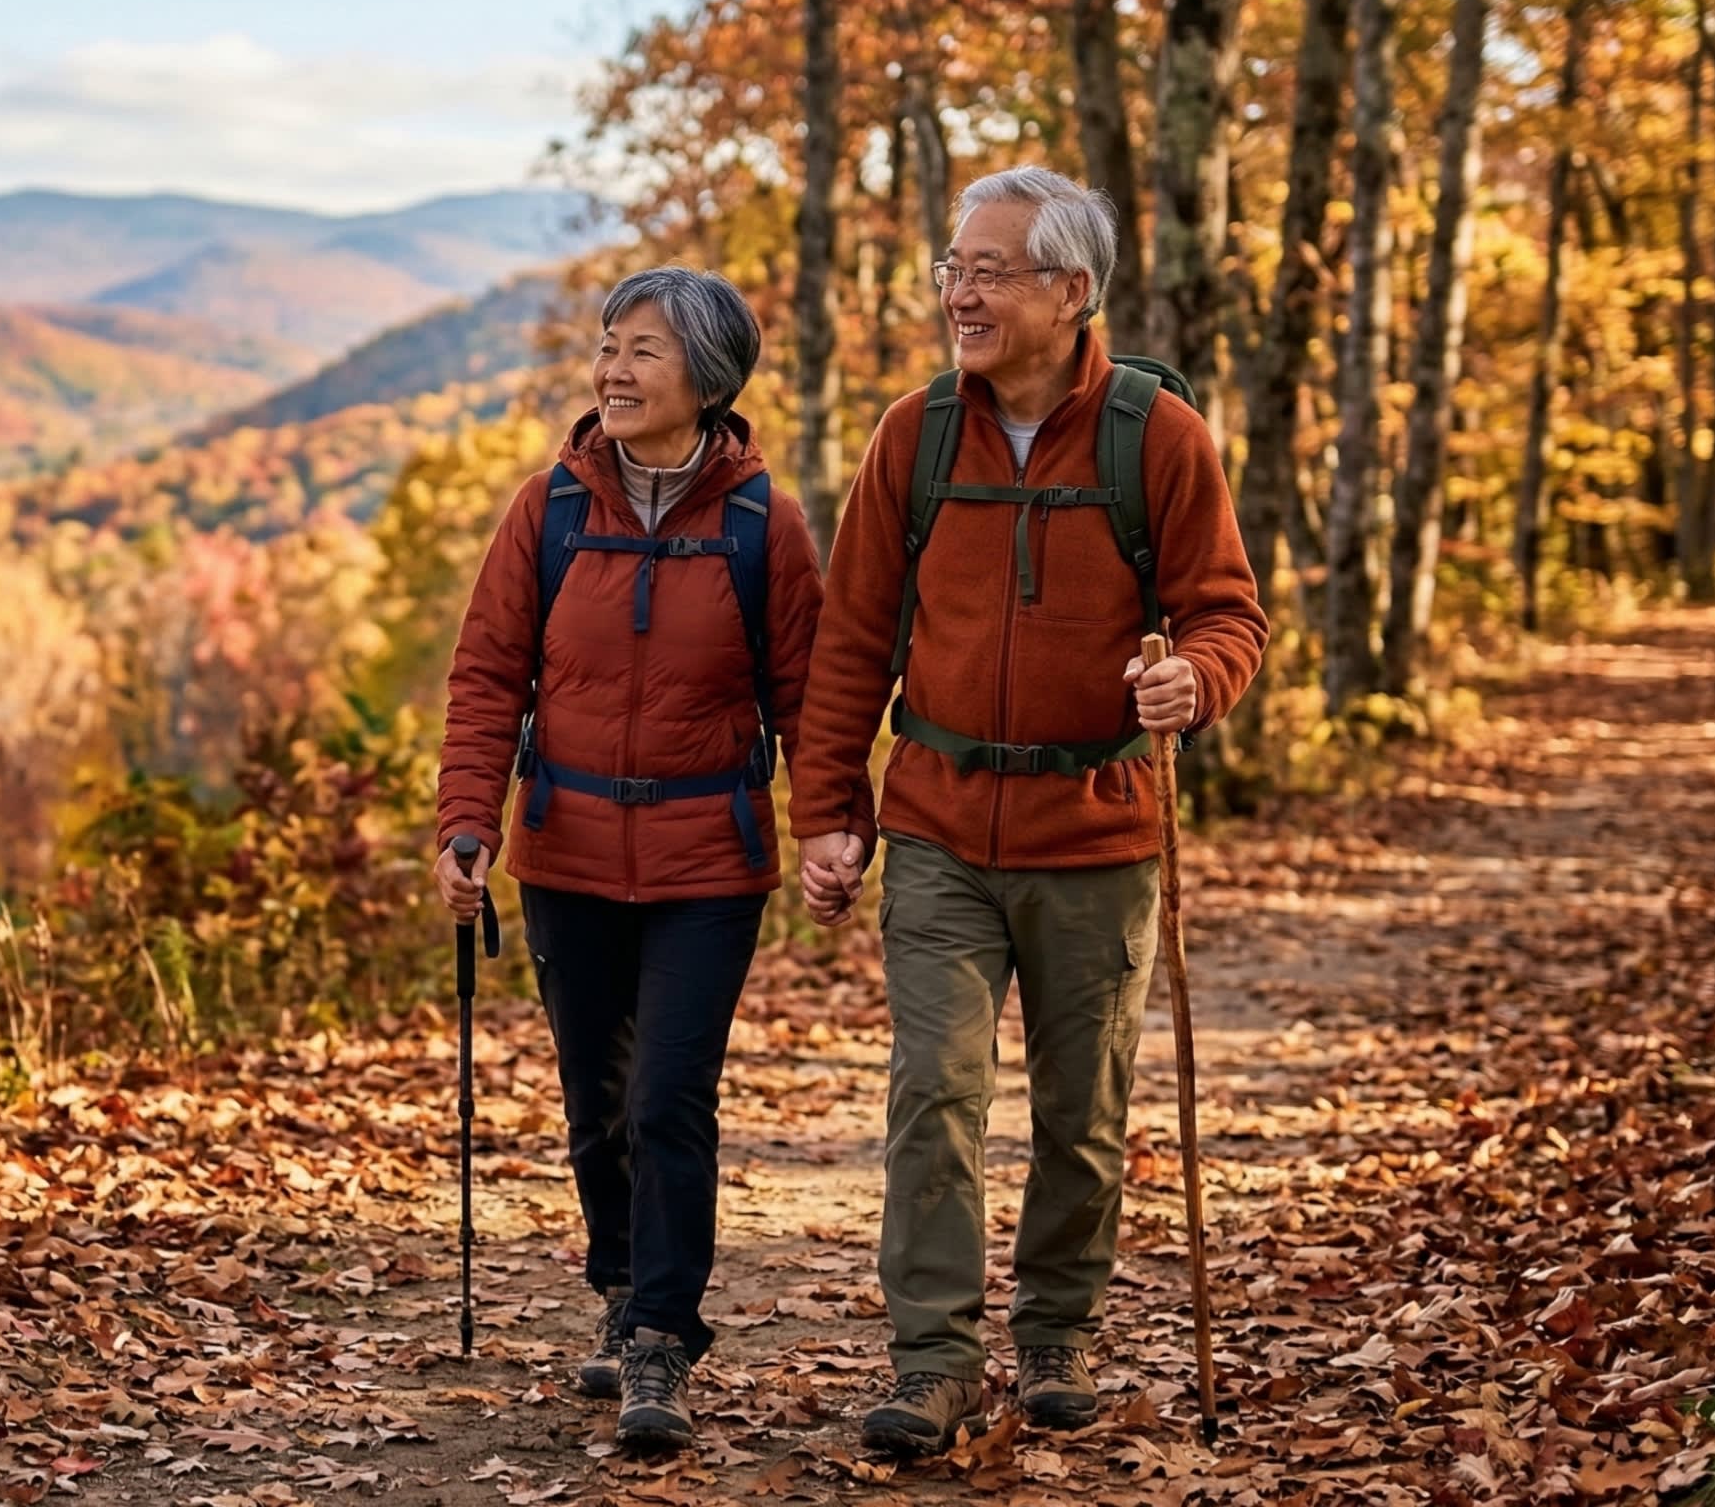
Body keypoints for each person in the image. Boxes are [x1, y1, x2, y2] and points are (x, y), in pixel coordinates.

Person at [787, 166, 1268, 1457]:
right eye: (954, 267)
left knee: (1081, 1110)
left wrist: (1196, 677)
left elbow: (1229, 612)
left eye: (990, 270)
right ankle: (934, 1362)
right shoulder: (916, 435)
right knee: (933, 1097)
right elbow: (853, 640)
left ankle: (1058, 1333)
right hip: (940, 828)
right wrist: (829, 810)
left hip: (1098, 836)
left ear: (1072, 290)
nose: (961, 291)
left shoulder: (1156, 439)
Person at [434, 264, 862, 1450]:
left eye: (644, 351)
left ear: (707, 378)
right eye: (608, 346)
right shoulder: (550, 509)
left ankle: (663, 1338)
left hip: (705, 867)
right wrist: (464, 825)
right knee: (595, 1105)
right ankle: (621, 1290)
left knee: (669, 1097)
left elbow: (806, 700)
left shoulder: (758, 524)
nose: (613, 371)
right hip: (563, 852)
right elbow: (485, 681)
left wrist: (833, 822)